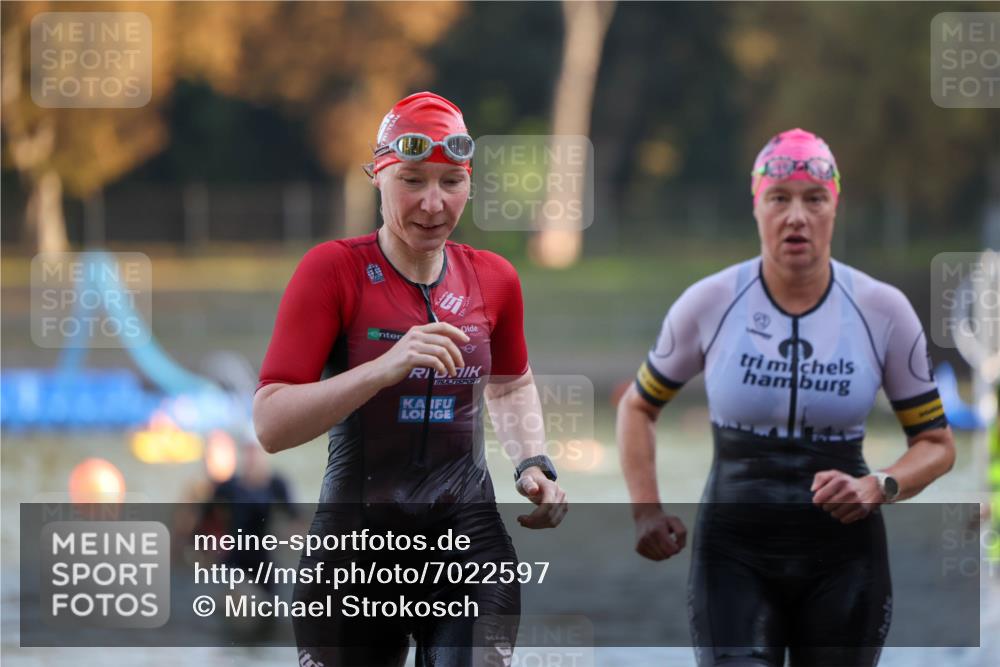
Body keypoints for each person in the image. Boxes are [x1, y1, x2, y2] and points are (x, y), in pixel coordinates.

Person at [617, 128, 956, 666]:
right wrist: (646, 511)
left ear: (834, 209)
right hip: (734, 555)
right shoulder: (708, 302)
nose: (796, 216)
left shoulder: (882, 310)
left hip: (844, 560)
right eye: (779, 198)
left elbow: (937, 443)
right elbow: (638, 407)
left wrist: (879, 485)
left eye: (814, 199)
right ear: (757, 207)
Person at [253, 91, 567, 667]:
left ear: (469, 184)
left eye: (451, 182)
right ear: (378, 176)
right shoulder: (333, 272)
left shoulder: (493, 279)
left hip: (466, 545)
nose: (433, 203)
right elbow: (271, 423)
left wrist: (531, 462)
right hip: (352, 552)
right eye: (413, 180)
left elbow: (510, 382)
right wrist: (381, 369)